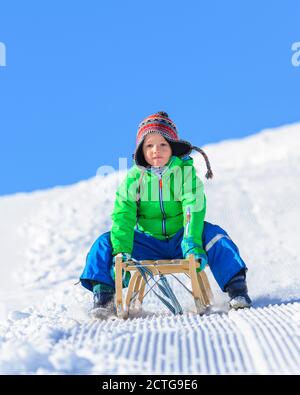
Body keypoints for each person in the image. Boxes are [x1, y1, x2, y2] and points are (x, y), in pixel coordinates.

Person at [80, 111, 252, 313]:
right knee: (104, 243)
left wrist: (191, 243)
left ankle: (237, 289)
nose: (156, 150)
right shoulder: (134, 180)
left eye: (163, 144)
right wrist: (122, 250)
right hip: (148, 243)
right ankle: (104, 298)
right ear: (141, 151)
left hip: (183, 238)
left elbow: (192, 207)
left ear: (172, 147)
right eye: (149, 145)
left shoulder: (184, 174)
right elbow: (123, 216)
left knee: (216, 236)